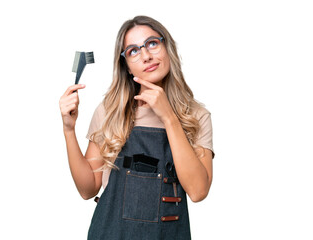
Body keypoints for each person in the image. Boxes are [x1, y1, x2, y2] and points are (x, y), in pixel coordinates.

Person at [59, 15, 214, 240]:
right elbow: (87, 189)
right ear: (127, 67)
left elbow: (198, 191)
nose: (146, 55)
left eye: (152, 43)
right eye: (133, 51)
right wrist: (68, 130)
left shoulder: (197, 116)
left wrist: (169, 117)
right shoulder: (110, 111)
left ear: (167, 47)